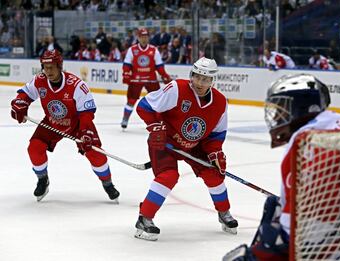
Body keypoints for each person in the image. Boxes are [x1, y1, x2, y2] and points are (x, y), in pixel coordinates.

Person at [223, 74, 340, 260]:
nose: (277, 115)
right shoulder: (331, 124)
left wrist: (264, 251)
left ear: (301, 108)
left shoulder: (309, 145)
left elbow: (311, 236)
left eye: (282, 107)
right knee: (275, 206)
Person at [134, 57, 238, 241]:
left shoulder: (220, 103)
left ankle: (224, 213)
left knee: (214, 173)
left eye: (205, 79)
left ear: (212, 81)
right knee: (168, 176)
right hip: (164, 141)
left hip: (194, 145)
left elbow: (216, 135)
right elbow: (144, 106)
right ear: (192, 75)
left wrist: (215, 153)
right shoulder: (177, 89)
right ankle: (145, 218)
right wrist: (155, 126)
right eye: (197, 77)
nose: (200, 82)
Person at [10, 50, 120, 202]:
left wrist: (86, 132)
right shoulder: (39, 80)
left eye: (52, 67)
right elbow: (25, 94)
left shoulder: (76, 85)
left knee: (96, 154)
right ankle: (43, 180)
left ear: (60, 66)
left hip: (78, 124)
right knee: (34, 148)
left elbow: (86, 113)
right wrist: (20, 103)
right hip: (51, 122)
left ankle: (108, 184)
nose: (48, 71)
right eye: (45, 67)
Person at [121, 27, 172, 129]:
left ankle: (159, 121)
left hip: (151, 79)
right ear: (138, 37)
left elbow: (159, 66)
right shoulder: (132, 50)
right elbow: (126, 64)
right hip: (136, 79)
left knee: (158, 101)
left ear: (148, 37)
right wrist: (126, 74)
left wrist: (165, 76)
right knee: (131, 100)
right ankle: (125, 118)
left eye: (146, 36)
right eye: (142, 36)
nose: (144, 39)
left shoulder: (154, 50)